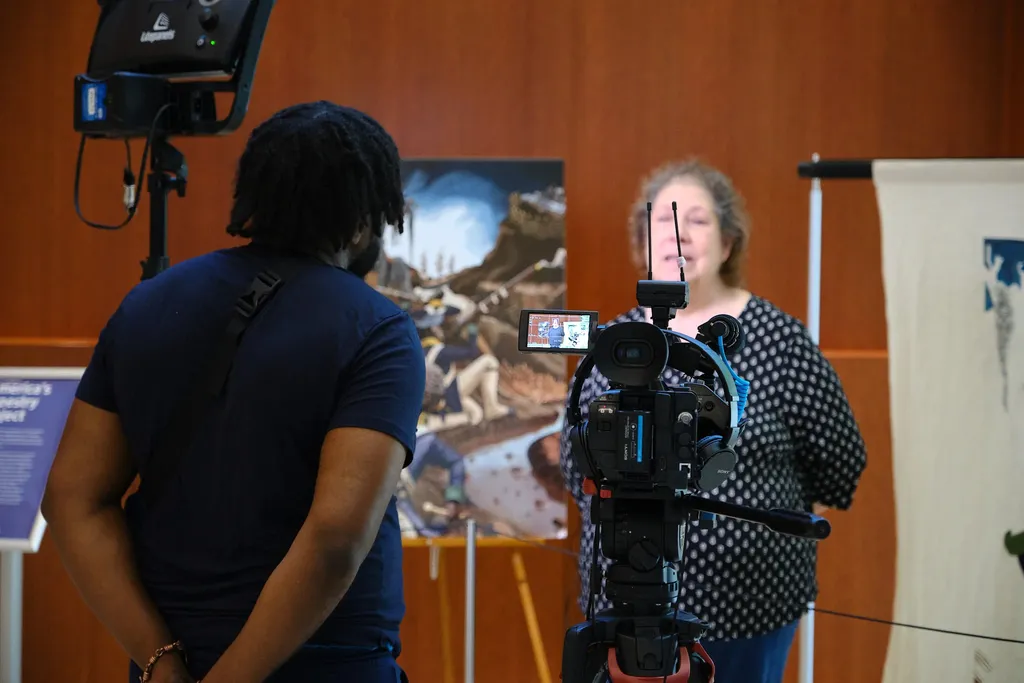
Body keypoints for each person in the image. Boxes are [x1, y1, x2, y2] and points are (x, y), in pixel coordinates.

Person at [41, 101, 426, 683]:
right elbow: (335, 538)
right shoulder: (376, 329)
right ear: (362, 219)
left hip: (176, 663)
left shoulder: (146, 305)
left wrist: (159, 660)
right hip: (327, 665)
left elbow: (72, 500)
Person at [559, 159, 868, 683]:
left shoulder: (780, 340)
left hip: (749, 610)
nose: (678, 232)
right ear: (642, 242)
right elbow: (576, 468)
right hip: (628, 605)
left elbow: (840, 466)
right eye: (663, 220)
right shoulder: (615, 346)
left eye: (697, 220)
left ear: (728, 242)